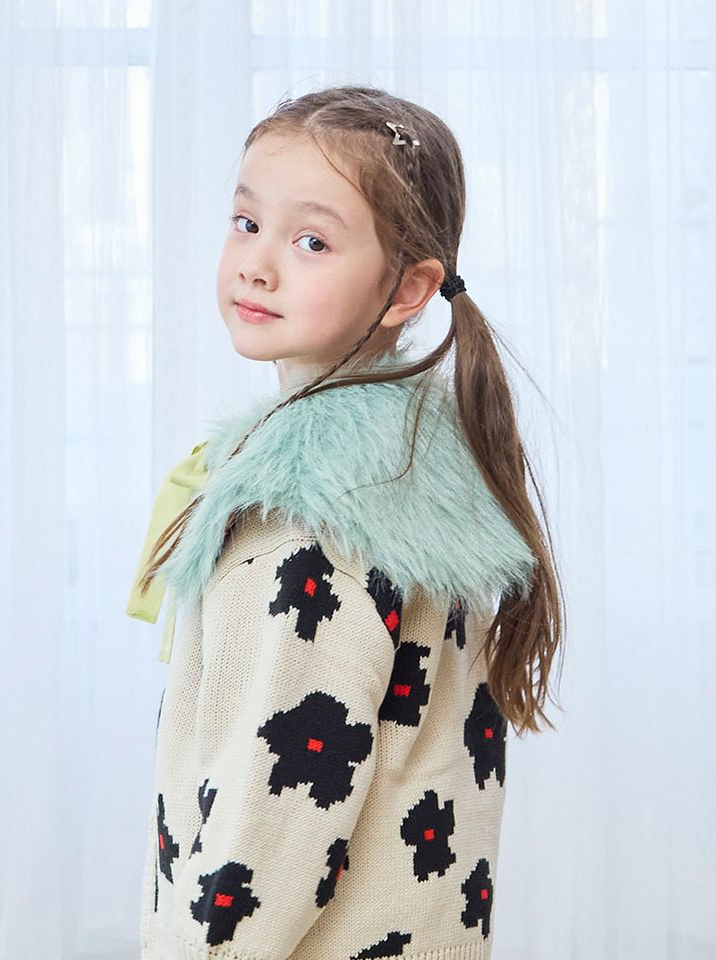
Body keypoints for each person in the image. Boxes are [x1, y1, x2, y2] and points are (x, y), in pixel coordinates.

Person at [132, 84, 565, 960]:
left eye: (312, 241)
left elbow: (270, 822)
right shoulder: (413, 477)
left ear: (408, 288)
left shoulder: (305, 527)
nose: (257, 265)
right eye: (247, 222)